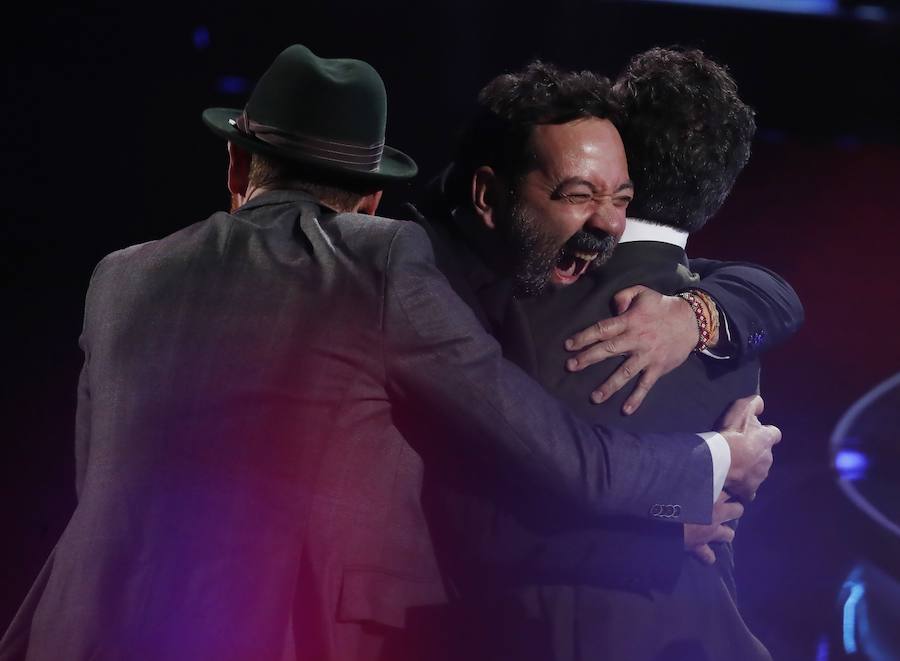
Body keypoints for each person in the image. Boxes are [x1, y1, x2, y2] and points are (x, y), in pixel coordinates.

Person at [0, 45, 779, 661]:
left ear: (236, 168)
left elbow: (90, 474)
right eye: (580, 195)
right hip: (280, 634)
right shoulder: (383, 260)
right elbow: (562, 456)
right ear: (370, 199)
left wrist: (707, 310)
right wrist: (714, 463)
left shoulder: (120, 274)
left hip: (76, 627)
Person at [405, 56, 802, 660]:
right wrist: (686, 501)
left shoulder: (515, 301)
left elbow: (471, 529)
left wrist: (695, 316)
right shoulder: (736, 330)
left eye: (617, 195)